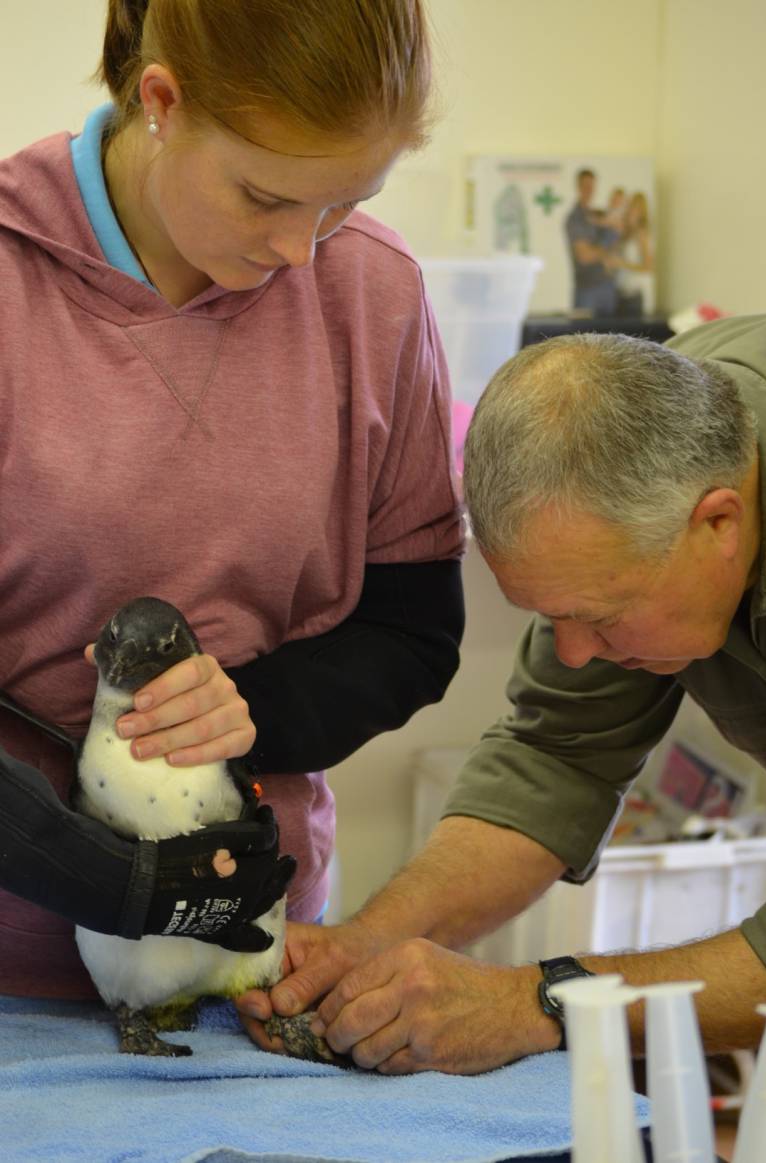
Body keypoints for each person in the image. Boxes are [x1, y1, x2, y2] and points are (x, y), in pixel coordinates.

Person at [0, 0, 464, 1000]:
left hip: (253, 956)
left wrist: (246, 711)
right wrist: (85, 868)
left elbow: (410, 632)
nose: (302, 253)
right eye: (264, 196)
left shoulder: (372, 292)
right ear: (159, 100)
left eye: (342, 202)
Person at [238, 316, 766, 1074]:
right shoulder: (651, 435)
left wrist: (536, 1003)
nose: (576, 653)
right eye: (554, 619)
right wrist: (367, 943)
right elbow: (558, 757)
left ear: (720, 522)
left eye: (600, 617)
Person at [563, 168, 620, 316]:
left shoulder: (598, 215)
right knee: (584, 336)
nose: (589, 190)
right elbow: (585, 257)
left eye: (592, 186)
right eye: (585, 186)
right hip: (588, 290)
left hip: (607, 288)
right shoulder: (575, 219)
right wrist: (608, 248)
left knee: (610, 337)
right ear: (578, 187)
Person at [616, 190, 655, 316]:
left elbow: (648, 266)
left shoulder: (642, 234)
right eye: (631, 207)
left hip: (637, 294)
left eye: (636, 208)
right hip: (624, 292)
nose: (632, 212)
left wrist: (621, 263)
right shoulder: (628, 235)